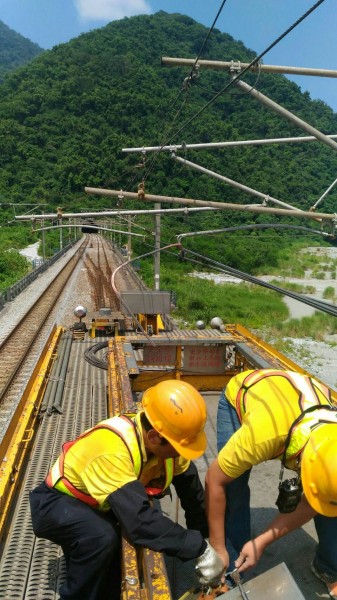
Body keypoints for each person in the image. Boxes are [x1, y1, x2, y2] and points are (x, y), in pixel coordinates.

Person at [30, 379, 224, 600]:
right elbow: (139, 522)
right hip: (57, 503)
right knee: (102, 538)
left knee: (111, 569)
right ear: (153, 437)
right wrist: (198, 549)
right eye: (180, 448)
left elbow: (192, 494)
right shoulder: (112, 450)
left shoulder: (167, 444)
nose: (182, 454)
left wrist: (207, 541)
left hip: (96, 501)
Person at [205, 368, 337, 599]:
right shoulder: (262, 437)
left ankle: (329, 567)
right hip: (245, 393)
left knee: (331, 496)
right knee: (232, 485)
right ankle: (231, 568)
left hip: (292, 401)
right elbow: (214, 481)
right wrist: (218, 547)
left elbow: (314, 502)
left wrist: (261, 542)